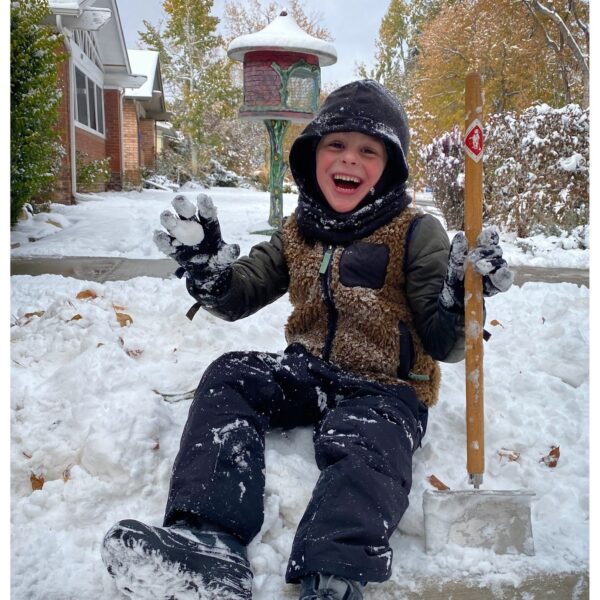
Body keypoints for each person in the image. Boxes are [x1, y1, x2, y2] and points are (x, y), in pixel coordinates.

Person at [101, 80, 513, 600]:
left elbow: (445, 343)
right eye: (336, 145)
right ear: (312, 155)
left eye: (369, 150)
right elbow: (242, 292)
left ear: (390, 167)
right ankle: (208, 544)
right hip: (308, 372)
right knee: (230, 374)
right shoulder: (300, 230)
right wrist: (211, 273)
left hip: (385, 388)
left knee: (368, 452)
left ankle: (333, 573)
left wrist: (460, 298)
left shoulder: (415, 231)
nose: (350, 160)